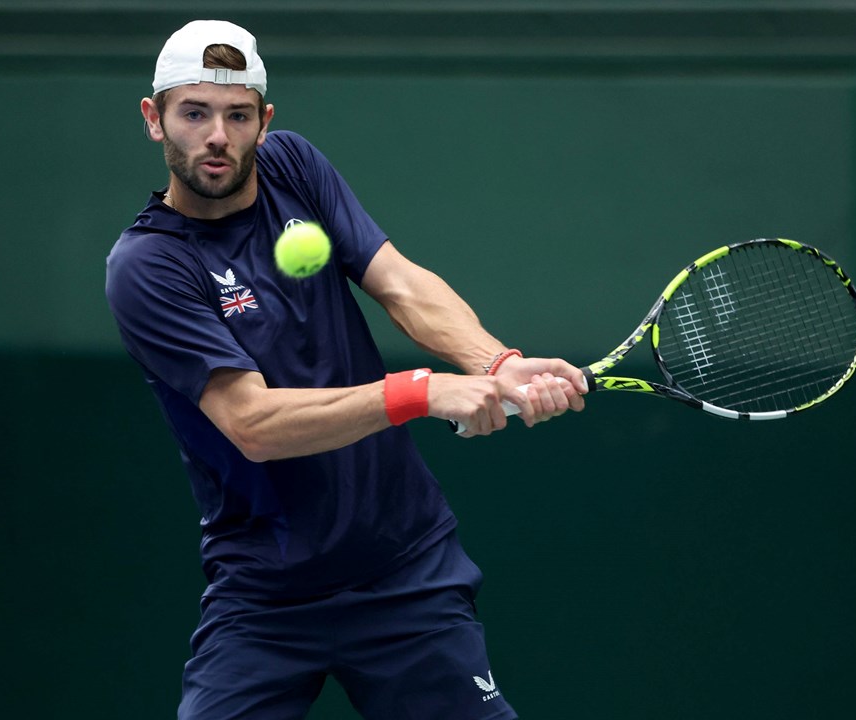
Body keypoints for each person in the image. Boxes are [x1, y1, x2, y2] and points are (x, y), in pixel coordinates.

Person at [105, 19, 588, 720]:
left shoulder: (295, 167)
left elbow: (399, 283)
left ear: (264, 122)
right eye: (195, 113)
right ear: (155, 119)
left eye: (238, 115)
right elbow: (254, 424)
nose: (218, 136)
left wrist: (497, 362)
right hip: (264, 595)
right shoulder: (148, 267)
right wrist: (423, 391)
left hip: (403, 572)